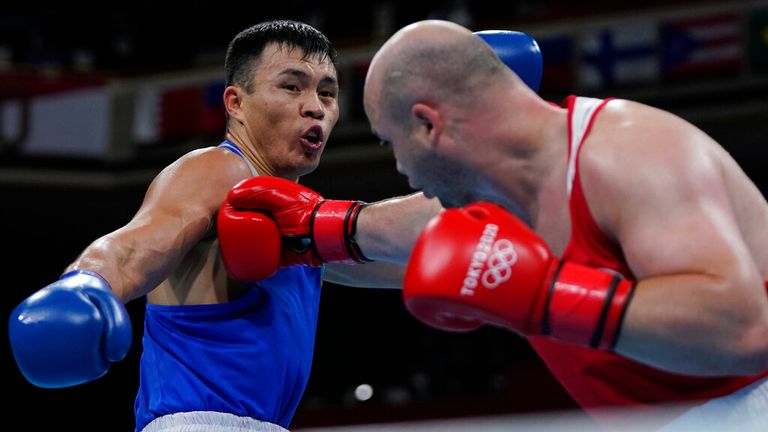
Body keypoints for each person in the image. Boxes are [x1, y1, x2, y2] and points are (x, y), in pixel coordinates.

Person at [222, 19, 768, 431]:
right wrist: (307, 233)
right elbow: (380, 242)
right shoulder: (497, 200)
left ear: (428, 125)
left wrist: (546, 296)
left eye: (393, 144)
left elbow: (743, 331)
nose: (401, 169)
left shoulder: (630, 154)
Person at [8, 19, 538, 432]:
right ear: (236, 103)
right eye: (292, 86)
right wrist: (85, 286)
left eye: (328, 94)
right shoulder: (218, 170)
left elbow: (393, 253)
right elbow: (136, 244)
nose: (315, 108)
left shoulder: (292, 217)